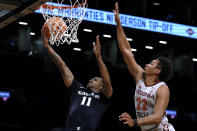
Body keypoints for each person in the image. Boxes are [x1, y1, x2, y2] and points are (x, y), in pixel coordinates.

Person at [113, 2, 175, 131]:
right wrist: (119, 24)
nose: (147, 64)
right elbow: (126, 51)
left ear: (158, 71)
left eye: (152, 64)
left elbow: (158, 117)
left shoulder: (162, 89)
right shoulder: (139, 76)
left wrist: (134, 121)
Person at [41, 27, 113, 131]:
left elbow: (107, 81)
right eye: (92, 79)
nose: (91, 80)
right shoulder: (77, 88)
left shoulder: (104, 96)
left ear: (101, 86)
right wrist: (47, 47)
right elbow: (62, 65)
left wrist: (99, 58)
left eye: (96, 79)